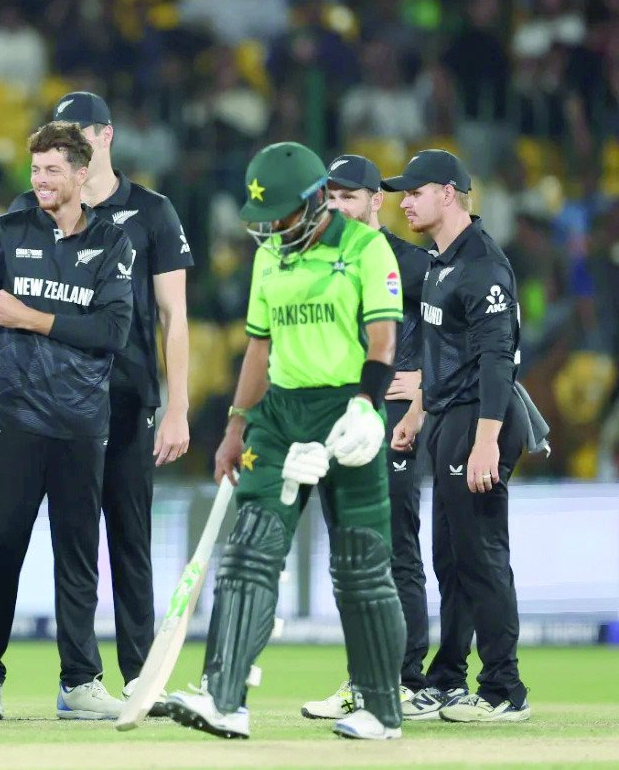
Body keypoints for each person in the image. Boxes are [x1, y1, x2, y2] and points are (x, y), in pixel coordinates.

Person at [166, 141, 406, 741]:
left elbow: (382, 343)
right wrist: (235, 426)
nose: (271, 228)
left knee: (361, 567)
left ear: (316, 200)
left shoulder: (365, 247)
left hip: (346, 406)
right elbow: (258, 345)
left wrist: (365, 407)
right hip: (278, 414)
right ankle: (224, 700)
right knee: (249, 550)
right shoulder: (271, 258)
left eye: (280, 215)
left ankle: (381, 709)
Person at [0, 121, 134, 722]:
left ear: (80, 173)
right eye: (36, 170)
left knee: (77, 557)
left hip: (79, 422)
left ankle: (79, 682)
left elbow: (112, 333)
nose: (42, 180)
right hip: (13, 420)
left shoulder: (112, 243)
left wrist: (29, 316)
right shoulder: (5, 232)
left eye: (53, 170)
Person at [0, 92, 193, 707]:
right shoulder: (29, 208)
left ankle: (139, 677)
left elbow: (175, 317)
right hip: (43, 405)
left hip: (126, 398)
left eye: (76, 131)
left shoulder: (152, 212)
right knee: (28, 539)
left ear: (103, 137)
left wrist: (178, 405)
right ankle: (27, 677)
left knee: (129, 540)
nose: (64, 141)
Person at [389, 149, 533, 723]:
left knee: (482, 555)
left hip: (481, 420)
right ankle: (448, 681)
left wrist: (485, 441)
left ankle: (504, 690)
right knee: (452, 558)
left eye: (414, 192)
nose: (404, 201)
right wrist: (418, 412)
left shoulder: (482, 265)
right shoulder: (441, 264)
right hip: (449, 419)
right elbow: (442, 354)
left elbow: (498, 359)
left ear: (448, 193)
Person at [301, 154, 441, 721]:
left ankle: (404, 678)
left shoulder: (413, 264)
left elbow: (463, 332)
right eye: (328, 198)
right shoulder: (319, 260)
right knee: (351, 557)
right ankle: (365, 676)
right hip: (337, 425)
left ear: (375, 201)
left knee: (395, 550)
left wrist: (426, 385)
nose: (336, 208)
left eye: (348, 198)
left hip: (394, 427)